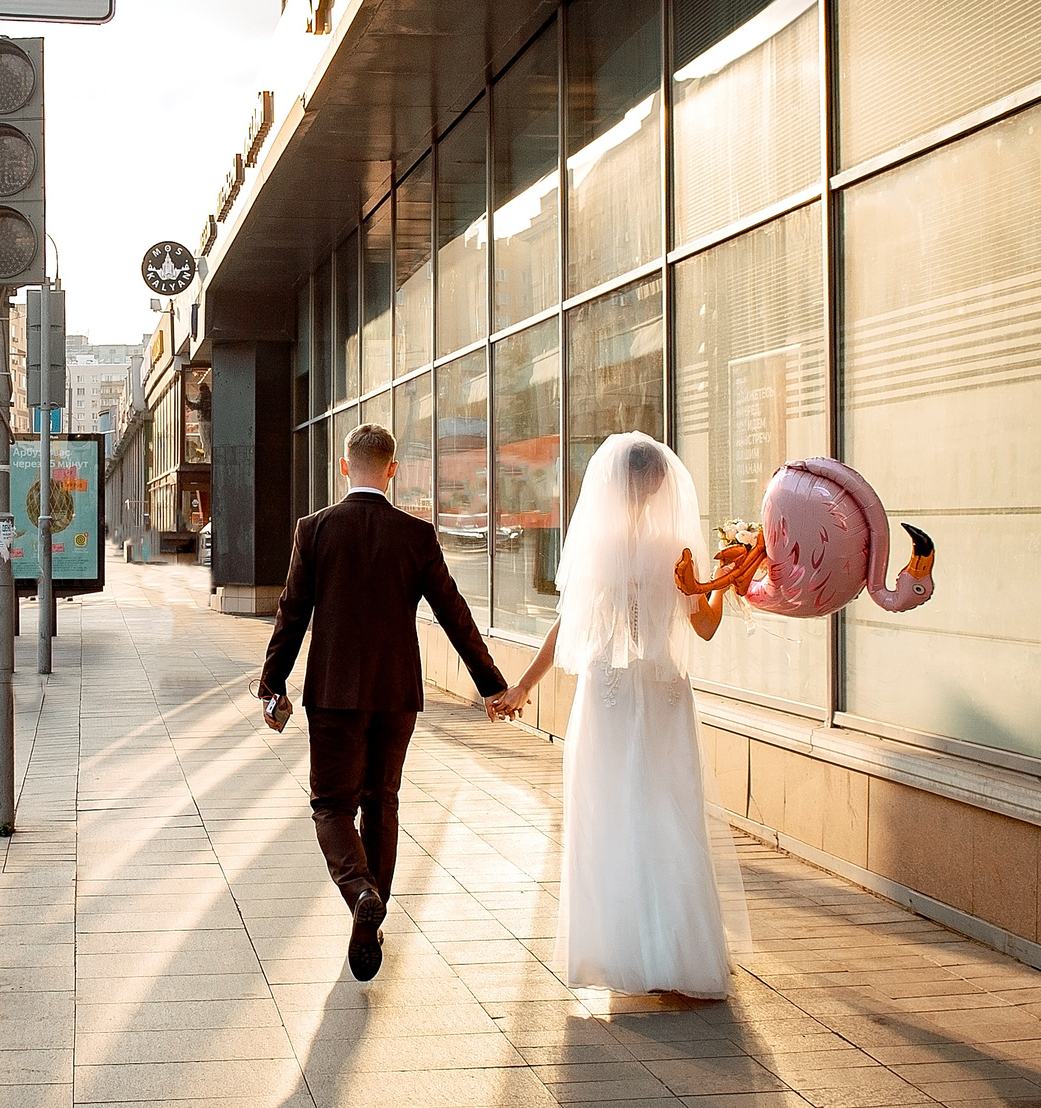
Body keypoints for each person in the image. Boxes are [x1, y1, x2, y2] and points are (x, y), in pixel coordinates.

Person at [488, 433, 749, 999]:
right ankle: (681, 956)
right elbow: (703, 627)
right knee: (670, 814)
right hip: (663, 696)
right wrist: (726, 584)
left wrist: (521, 687)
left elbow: (566, 628)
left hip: (608, 696)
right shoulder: (678, 545)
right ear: (660, 484)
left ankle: (619, 954)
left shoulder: (597, 545)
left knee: (609, 815)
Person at [257, 423, 511, 980]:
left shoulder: (315, 530)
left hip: (332, 693)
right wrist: (492, 685)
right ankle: (369, 914)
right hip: (397, 694)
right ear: (392, 470)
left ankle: (359, 890)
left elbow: (291, 612)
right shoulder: (416, 536)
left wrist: (272, 685)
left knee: (331, 806)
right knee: (382, 802)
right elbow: (455, 613)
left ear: (346, 467)